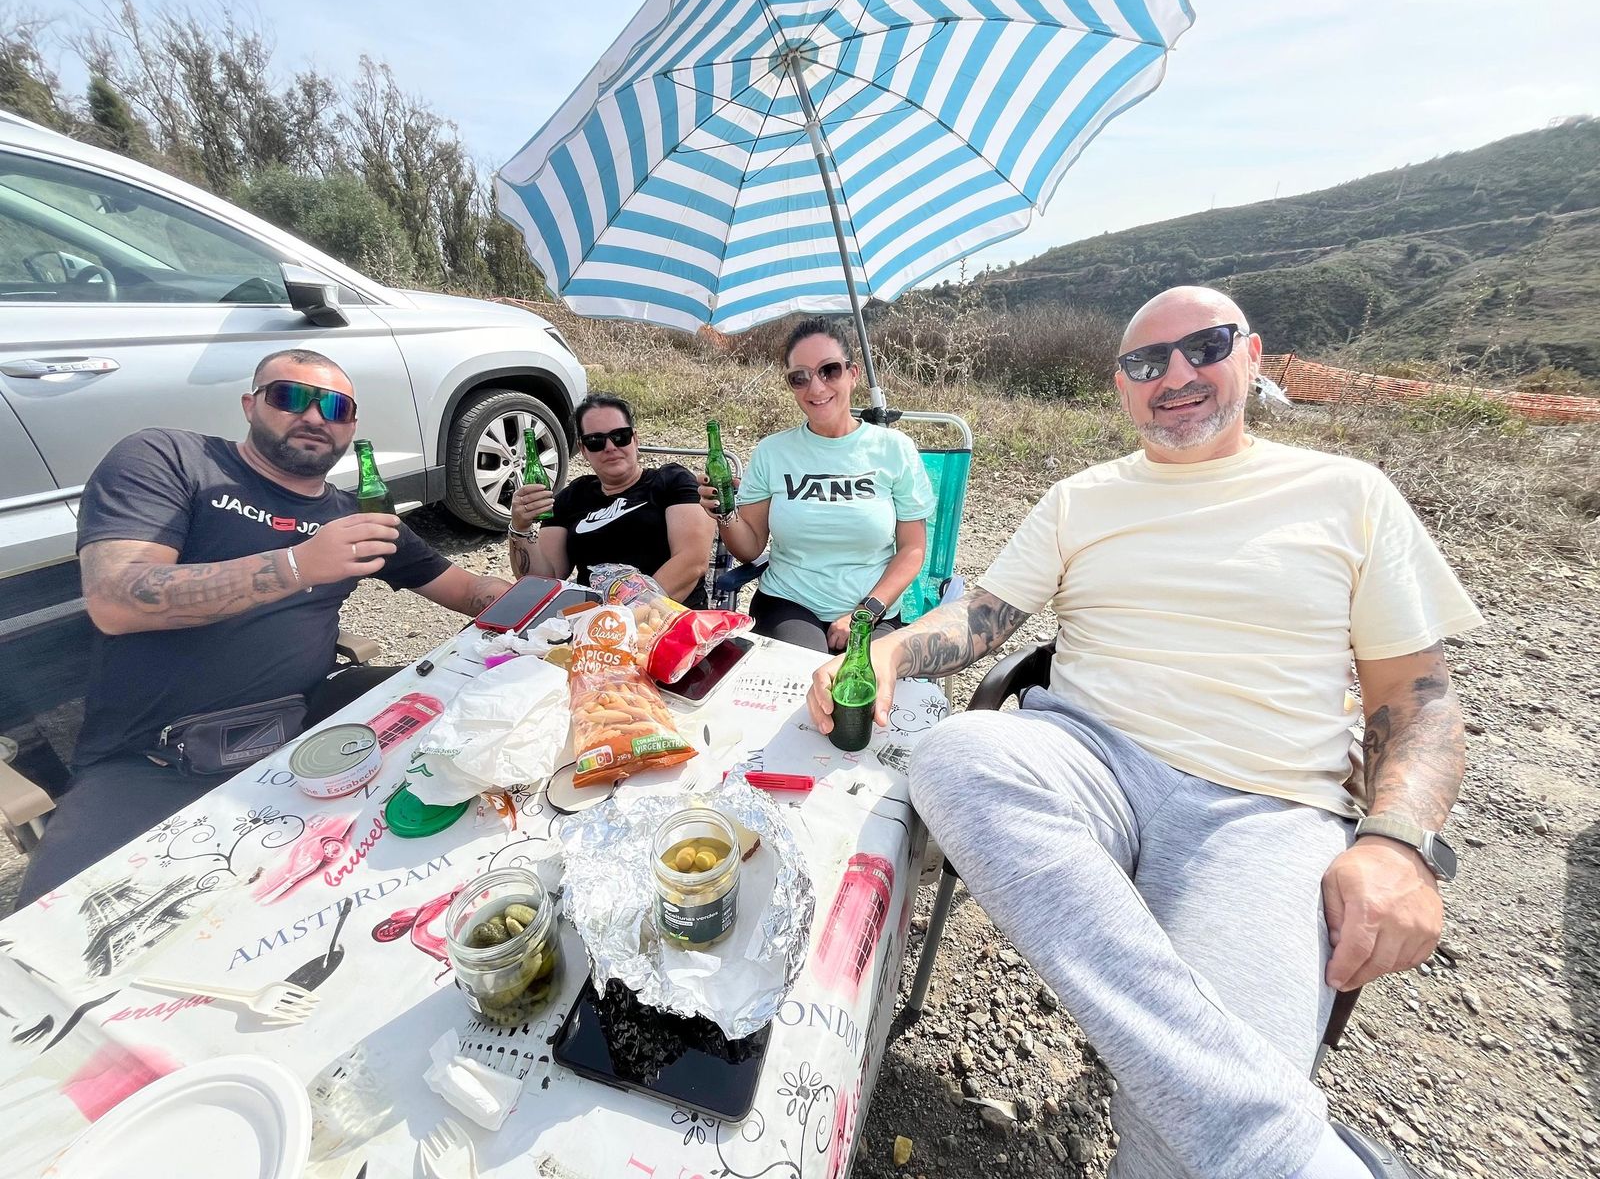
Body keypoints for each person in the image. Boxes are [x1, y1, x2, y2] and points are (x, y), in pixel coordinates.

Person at [806, 287, 1483, 1179]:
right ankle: (1271, 1133)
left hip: (1266, 805)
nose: (1175, 374)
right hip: (1086, 755)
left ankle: (1252, 1132)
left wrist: (1398, 844)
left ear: (1254, 356)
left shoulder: (1348, 493)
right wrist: (890, 653)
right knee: (960, 753)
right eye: (1145, 362)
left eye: (1204, 346)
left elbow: (1418, 695)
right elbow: (988, 614)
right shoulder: (1081, 499)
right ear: (1121, 389)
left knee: (1182, 1145)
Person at [18, 348, 512, 906]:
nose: (315, 416)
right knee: (56, 938)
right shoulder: (170, 458)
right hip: (153, 757)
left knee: (488, 735)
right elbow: (115, 599)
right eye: (291, 397)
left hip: (311, 722)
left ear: (351, 425)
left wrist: (584, 600)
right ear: (251, 404)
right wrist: (299, 564)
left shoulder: (354, 514)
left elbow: (472, 591)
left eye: (336, 407)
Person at [699, 318, 934, 651]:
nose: (816, 387)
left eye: (830, 370)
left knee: (863, 687)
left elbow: (912, 549)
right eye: (800, 377)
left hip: (873, 608)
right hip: (789, 604)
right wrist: (724, 514)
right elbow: (749, 547)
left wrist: (865, 612)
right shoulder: (773, 452)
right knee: (802, 681)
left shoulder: (894, 449)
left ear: (852, 375)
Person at [508, 394, 715, 607]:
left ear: (635, 439)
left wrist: (627, 615)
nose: (609, 446)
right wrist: (520, 527)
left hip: (668, 618)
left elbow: (692, 561)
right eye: (595, 441)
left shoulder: (671, 481)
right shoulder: (572, 497)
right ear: (584, 450)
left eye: (620, 436)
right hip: (593, 624)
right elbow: (544, 580)